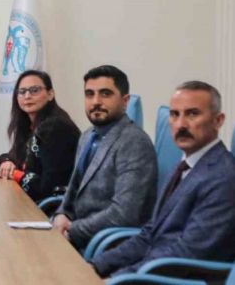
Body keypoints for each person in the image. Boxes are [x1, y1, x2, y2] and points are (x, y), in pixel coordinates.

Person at [91, 81, 235, 277]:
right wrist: (95, 266)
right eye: (175, 114)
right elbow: (149, 234)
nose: (181, 124)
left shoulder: (223, 177)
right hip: (151, 270)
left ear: (218, 120)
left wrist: (118, 278)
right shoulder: (184, 164)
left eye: (193, 114)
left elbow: (188, 254)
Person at [53, 65, 157, 250]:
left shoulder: (134, 142)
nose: (96, 101)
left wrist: (72, 228)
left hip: (105, 245)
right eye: (89, 94)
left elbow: (124, 214)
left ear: (125, 101)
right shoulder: (87, 136)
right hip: (77, 237)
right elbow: (74, 189)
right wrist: (62, 214)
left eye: (105, 94)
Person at [0, 70, 80, 201]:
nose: (27, 96)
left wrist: (15, 174)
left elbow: (49, 187)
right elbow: (13, 155)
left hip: (53, 207)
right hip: (31, 201)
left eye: (34, 90)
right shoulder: (29, 125)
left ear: (50, 94)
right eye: (22, 91)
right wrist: (7, 162)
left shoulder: (56, 127)